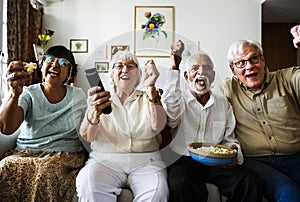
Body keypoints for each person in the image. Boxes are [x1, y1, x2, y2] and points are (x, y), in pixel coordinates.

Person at [161, 40, 263, 202]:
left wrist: (234, 152)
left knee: (248, 180)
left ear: (213, 76)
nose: (201, 72)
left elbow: (230, 138)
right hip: (185, 160)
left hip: (216, 162)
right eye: (195, 68)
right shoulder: (178, 100)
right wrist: (175, 67)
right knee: (180, 182)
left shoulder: (224, 104)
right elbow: (171, 115)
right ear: (186, 76)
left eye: (207, 68)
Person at [220, 25, 300, 202]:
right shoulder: (226, 89)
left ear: (263, 60)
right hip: (256, 161)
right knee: (289, 193)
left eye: (254, 59)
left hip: (295, 157)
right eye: (241, 63)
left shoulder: (287, 78)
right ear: (233, 69)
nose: (249, 67)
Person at [76, 50, 168, 202]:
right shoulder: (100, 99)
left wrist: (151, 87)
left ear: (138, 74)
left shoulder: (150, 96)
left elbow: (158, 126)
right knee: (88, 184)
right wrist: (93, 112)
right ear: (112, 74)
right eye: (119, 66)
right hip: (105, 160)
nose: (125, 70)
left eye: (130, 66)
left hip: (146, 161)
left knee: (157, 193)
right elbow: (88, 136)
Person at [0, 45, 87, 201]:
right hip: (26, 153)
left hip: (64, 155)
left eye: (63, 62)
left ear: (69, 72)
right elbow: (7, 128)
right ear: (41, 65)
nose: (55, 65)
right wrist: (13, 95)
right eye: (50, 60)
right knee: (6, 165)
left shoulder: (78, 95)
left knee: (47, 171)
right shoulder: (27, 93)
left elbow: (89, 128)